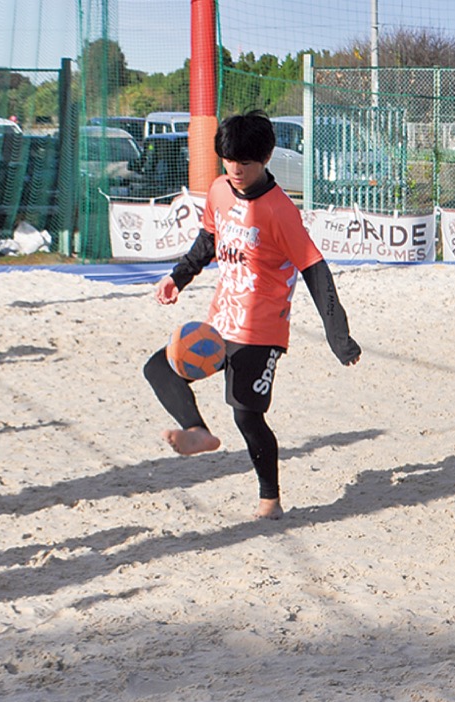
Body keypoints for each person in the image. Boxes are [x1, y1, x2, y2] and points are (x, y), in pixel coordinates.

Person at [143, 111, 362, 520]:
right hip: (219, 322)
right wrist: (178, 277)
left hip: (261, 331)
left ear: (266, 158)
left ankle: (270, 501)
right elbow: (208, 240)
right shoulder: (219, 190)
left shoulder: (280, 211)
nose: (236, 169)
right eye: (229, 160)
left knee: (247, 415)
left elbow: (315, 270)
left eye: (245, 161)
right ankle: (197, 431)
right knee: (158, 367)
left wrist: (339, 336)